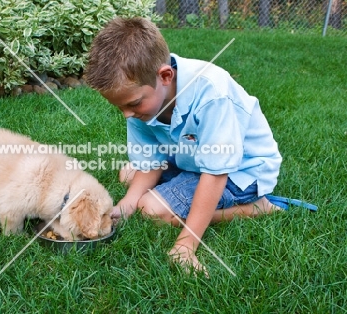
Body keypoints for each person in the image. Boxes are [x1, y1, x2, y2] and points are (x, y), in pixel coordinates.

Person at [84, 17, 311, 273]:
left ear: (165, 76)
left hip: (240, 172)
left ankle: (256, 207)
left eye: (133, 104)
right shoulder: (143, 103)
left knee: (151, 209)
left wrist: (186, 244)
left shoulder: (213, 94)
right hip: (190, 159)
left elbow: (215, 174)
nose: (126, 114)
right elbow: (149, 161)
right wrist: (125, 206)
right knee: (129, 174)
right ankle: (167, 194)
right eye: (120, 107)